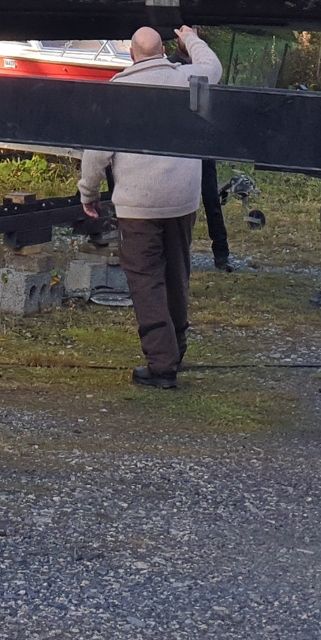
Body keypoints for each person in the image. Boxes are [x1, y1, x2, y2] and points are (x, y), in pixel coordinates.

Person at [80, 24, 222, 389]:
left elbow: (96, 153)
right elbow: (214, 66)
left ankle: (162, 366)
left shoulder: (117, 91)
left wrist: (88, 193)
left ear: (132, 55)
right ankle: (177, 349)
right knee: (176, 274)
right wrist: (189, 37)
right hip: (182, 199)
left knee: (146, 281)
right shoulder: (188, 78)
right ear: (162, 51)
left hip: (138, 205)